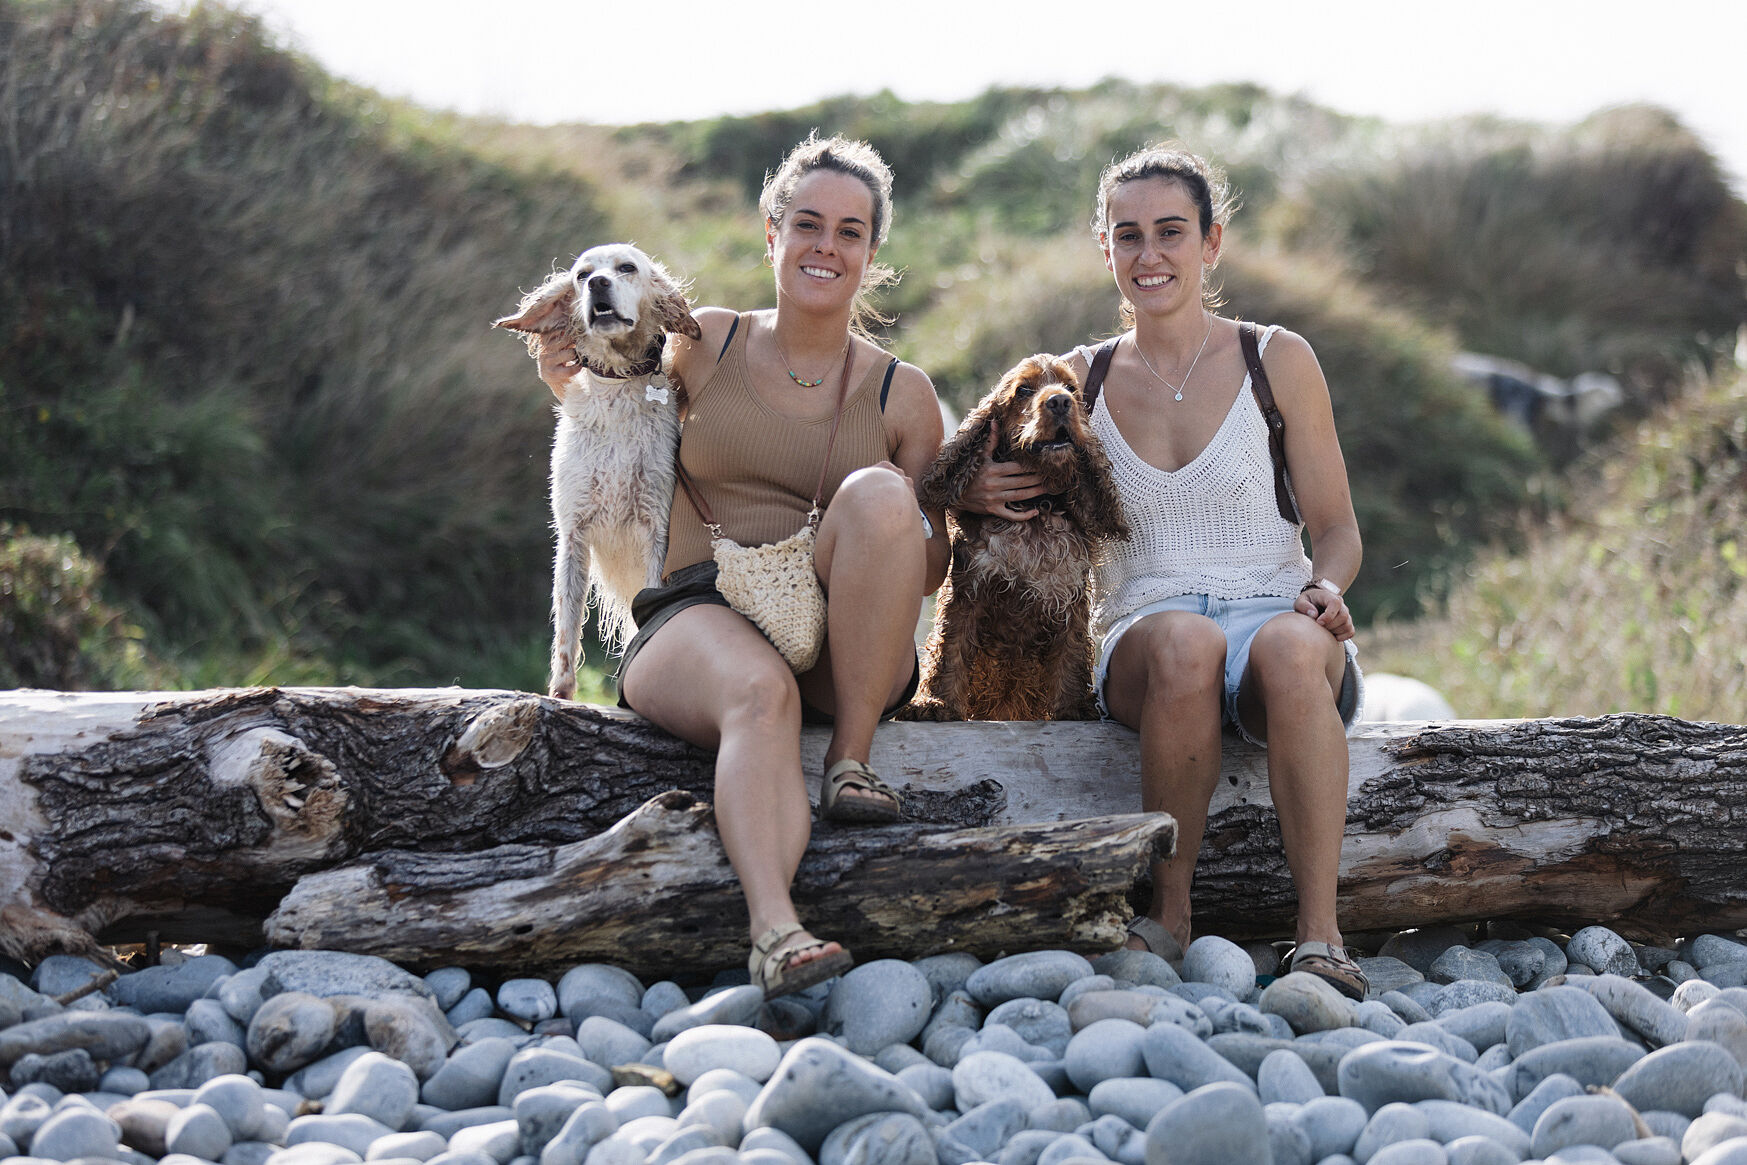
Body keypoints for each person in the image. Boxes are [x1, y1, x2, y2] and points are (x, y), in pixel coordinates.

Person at [533, 134, 948, 998]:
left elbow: (931, 562)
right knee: (763, 691)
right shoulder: (702, 343)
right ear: (771, 234)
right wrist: (556, 371)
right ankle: (776, 932)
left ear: (872, 254)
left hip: (842, 645)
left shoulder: (900, 393)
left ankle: (851, 760)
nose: (824, 247)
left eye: (849, 231)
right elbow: (615, 413)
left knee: (879, 494)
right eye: (806, 224)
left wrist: (957, 509)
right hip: (695, 618)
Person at [960, 144, 1368, 999]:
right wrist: (980, 489)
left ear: (1211, 243)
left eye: (1171, 232)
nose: (1150, 255)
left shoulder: (1276, 358)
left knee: (1293, 651)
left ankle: (1320, 933)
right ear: (1104, 250)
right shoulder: (1081, 378)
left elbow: (1334, 530)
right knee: (1185, 640)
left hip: (1276, 615)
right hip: (1149, 633)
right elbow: (984, 465)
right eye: (1128, 236)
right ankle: (1170, 913)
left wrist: (1323, 590)